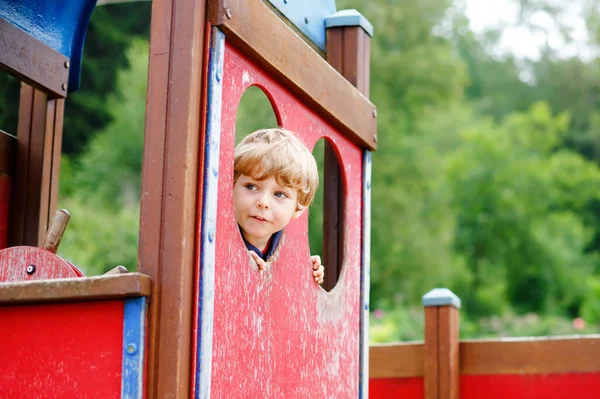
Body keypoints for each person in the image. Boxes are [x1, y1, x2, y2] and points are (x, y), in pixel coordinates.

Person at [233, 128, 324, 285]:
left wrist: (302, 268)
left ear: (299, 207)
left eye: (279, 194)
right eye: (251, 186)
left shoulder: (286, 248)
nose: (263, 202)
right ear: (231, 186)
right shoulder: (216, 234)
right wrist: (238, 261)